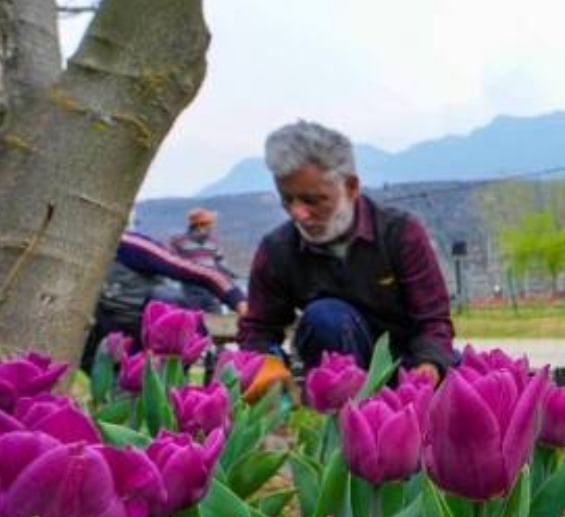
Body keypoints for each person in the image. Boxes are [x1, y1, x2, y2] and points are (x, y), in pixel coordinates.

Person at [237, 120, 454, 388]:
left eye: (312, 200)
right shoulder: (278, 250)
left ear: (351, 188)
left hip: (408, 366)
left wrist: (427, 370)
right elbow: (258, 329)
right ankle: (339, 413)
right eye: (287, 200)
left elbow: (432, 321)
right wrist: (265, 367)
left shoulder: (400, 234)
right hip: (337, 371)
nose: (298, 213)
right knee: (325, 317)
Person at [81, 230, 248, 371]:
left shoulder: (128, 246)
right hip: (101, 337)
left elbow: (204, 274)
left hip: (146, 330)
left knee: (168, 297)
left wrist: (239, 302)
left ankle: (168, 368)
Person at [168, 207, 237, 311]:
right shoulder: (178, 241)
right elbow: (171, 261)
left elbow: (219, 261)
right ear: (200, 225)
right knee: (194, 316)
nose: (213, 226)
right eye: (210, 223)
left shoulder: (213, 241)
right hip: (191, 289)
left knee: (216, 316)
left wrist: (230, 274)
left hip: (211, 288)